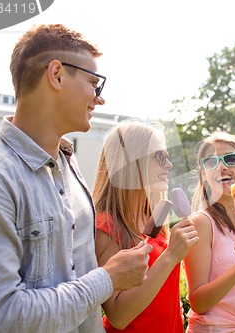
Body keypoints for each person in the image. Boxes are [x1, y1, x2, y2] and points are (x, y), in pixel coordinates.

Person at [0, 24, 152, 332]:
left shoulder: (68, 161)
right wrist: (108, 278)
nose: (99, 99)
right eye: (94, 84)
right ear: (56, 74)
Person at [93, 121, 199, 332]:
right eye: (159, 156)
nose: (168, 165)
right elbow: (118, 316)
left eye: (167, 157)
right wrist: (170, 256)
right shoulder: (105, 226)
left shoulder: (153, 215)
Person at [183, 132, 235, 332]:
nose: (221, 166)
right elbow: (198, 303)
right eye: (210, 162)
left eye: (230, 159)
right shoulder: (201, 223)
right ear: (204, 174)